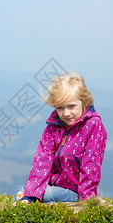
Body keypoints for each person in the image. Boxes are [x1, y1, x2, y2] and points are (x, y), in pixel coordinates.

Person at [14, 71, 107, 204]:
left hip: (76, 191)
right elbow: (42, 160)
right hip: (53, 185)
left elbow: (91, 164)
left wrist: (87, 197)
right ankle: (30, 200)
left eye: (71, 106)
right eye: (60, 108)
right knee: (25, 191)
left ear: (85, 102)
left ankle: (30, 202)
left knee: (44, 194)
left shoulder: (93, 125)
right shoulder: (53, 127)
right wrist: (32, 194)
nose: (66, 113)